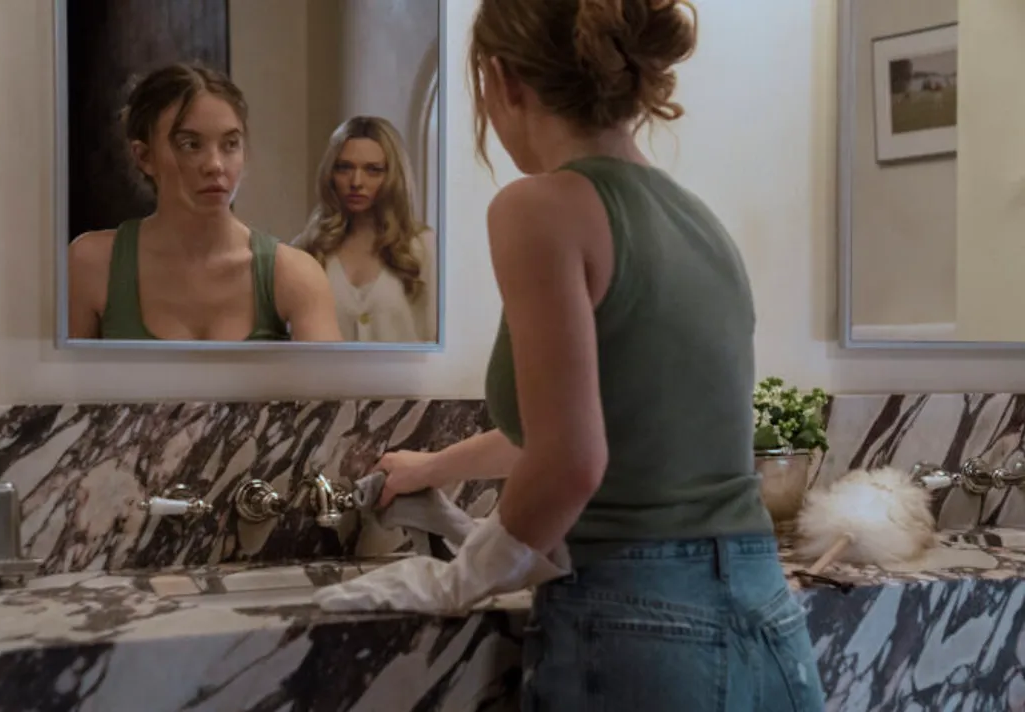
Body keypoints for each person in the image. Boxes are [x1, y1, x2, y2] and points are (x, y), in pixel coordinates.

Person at [309, 0, 826, 709]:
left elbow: (572, 461)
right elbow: (597, 423)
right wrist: (434, 468)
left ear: (501, 79)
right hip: (768, 623)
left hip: (641, 625)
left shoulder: (537, 207)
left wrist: (462, 578)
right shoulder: (701, 223)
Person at [68, 63, 342, 342]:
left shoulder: (293, 274)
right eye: (190, 145)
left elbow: (328, 371)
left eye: (230, 144)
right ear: (145, 157)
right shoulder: (93, 264)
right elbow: (56, 369)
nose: (215, 165)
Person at [293, 116, 436, 343]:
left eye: (373, 170)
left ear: (393, 176)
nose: (356, 182)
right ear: (331, 173)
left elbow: (437, 339)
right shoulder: (306, 249)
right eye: (344, 168)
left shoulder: (423, 247)